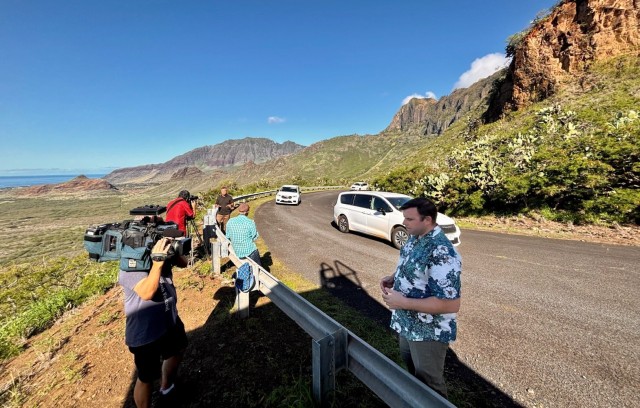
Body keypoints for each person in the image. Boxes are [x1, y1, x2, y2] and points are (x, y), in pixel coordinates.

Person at [379, 197, 461, 399]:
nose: (404, 223)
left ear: (427, 220)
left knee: (430, 385)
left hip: (428, 333)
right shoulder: (414, 237)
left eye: (409, 219)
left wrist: (402, 302)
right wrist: (394, 277)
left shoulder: (442, 252)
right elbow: (412, 265)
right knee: (414, 377)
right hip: (407, 324)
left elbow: (451, 304)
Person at [119, 237, 189, 408]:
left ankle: (166, 387)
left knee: (177, 351)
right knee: (146, 377)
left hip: (169, 319)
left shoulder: (159, 254)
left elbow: (184, 263)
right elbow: (147, 292)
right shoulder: (130, 265)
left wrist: (172, 250)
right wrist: (157, 262)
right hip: (146, 332)